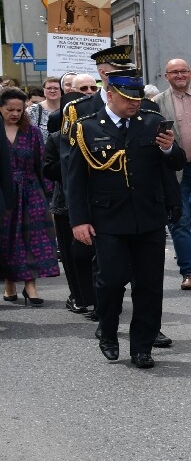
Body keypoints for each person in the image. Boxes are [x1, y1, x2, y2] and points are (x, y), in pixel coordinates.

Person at [62, 70, 184, 366]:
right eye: (128, 99)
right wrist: (78, 221)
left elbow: (175, 163)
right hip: (108, 219)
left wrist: (168, 148)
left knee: (149, 285)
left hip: (148, 217)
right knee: (111, 281)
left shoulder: (152, 123)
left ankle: (142, 346)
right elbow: (74, 180)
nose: (134, 104)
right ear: (111, 94)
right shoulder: (86, 128)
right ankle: (108, 329)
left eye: (138, 99)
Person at [153, 58, 191, 290]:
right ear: (166, 76)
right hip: (175, 171)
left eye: (184, 71)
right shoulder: (157, 103)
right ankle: (188, 271)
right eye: (174, 72)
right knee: (180, 221)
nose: (180, 75)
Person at [2, 88, 59, 305]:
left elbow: (41, 164)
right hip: (4, 194)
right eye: (10, 110)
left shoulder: (32, 132)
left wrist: (48, 193)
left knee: (32, 239)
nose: (15, 113)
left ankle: (30, 286)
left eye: (20, 109)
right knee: (7, 240)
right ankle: (9, 283)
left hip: (30, 191)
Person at [44, 92, 95, 316]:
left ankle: (99, 298)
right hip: (65, 205)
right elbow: (48, 168)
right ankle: (79, 296)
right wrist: (70, 164)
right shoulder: (56, 138)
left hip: (93, 203)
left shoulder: (94, 134)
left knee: (95, 256)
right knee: (72, 255)